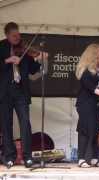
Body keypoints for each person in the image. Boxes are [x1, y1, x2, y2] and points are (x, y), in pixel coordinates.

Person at [0, 22, 48, 168]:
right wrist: (8, 60)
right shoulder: (1, 47)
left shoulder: (25, 49)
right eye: (14, 35)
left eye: (18, 35)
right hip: (5, 93)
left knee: (25, 123)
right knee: (6, 125)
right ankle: (9, 156)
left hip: (21, 92)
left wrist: (42, 60)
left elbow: (34, 70)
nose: (17, 38)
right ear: (7, 35)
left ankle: (27, 157)